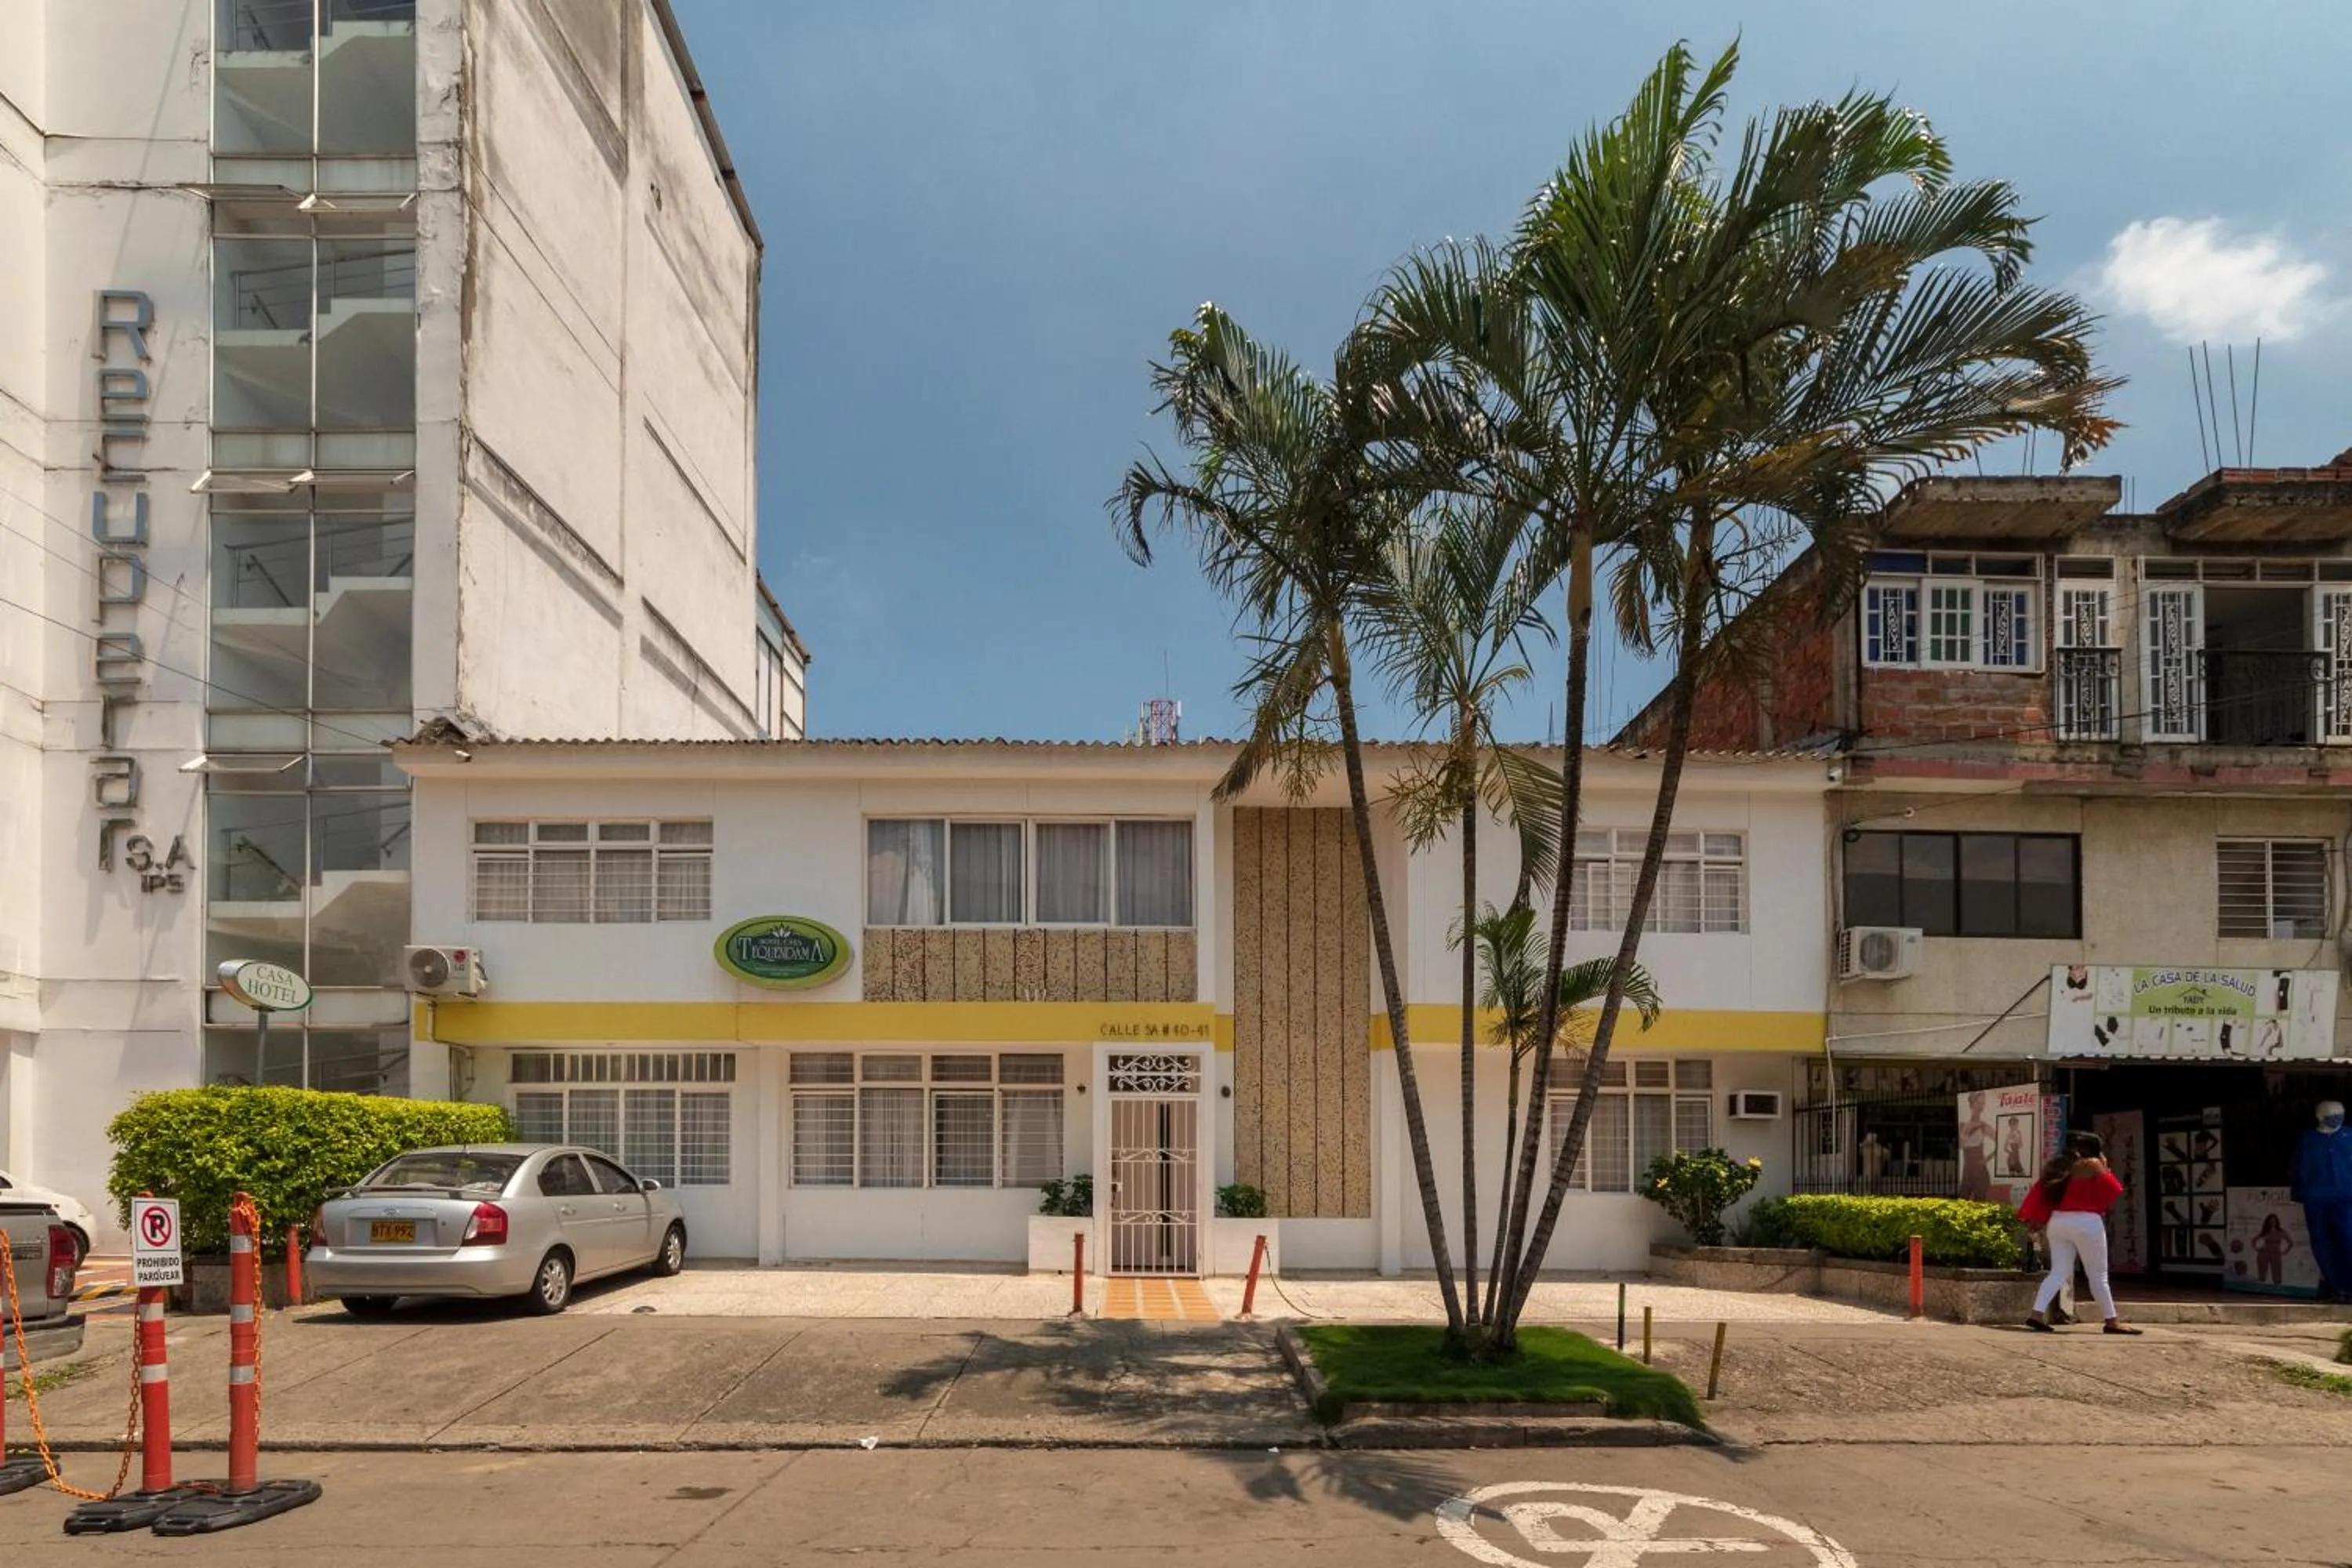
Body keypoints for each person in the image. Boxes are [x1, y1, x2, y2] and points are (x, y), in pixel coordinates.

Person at [2021, 1131, 2140, 1334]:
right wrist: (2105, 1168)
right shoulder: (2092, 1165)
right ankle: (2111, 1321)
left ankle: (2036, 1315)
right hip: (2087, 1222)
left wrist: (2036, 1222)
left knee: (2058, 1272)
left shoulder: (2057, 1166)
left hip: (2058, 1222)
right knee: (2098, 1275)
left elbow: (2040, 1194)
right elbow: (2113, 1189)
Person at [2292, 1100, 2352, 1303]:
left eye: (2340, 1113)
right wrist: (2301, 1193)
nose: (2337, 1117)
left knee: (2347, 1240)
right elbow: (2298, 1168)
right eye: (2332, 1114)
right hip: (2316, 1198)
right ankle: (2335, 1285)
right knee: (2321, 1243)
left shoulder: (2349, 1136)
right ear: (2319, 1116)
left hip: (2346, 1197)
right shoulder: (2308, 1139)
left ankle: (2348, 1285)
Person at [2252, 1213, 2294, 1287]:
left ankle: (2277, 1290)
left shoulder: (2281, 1232)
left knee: (2277, 1273)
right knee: (2262, 1273)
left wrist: (2285, 1251)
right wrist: (2257, 1249)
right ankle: (2261, 1290)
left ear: (2276, 1221)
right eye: (2270, 1220)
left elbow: (2291, 1243)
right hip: (2264, 1253)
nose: (2272, 1222)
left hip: (2276, 1253)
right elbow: (2254, 1240)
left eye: (2274, 1220)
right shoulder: (2265, 1231)